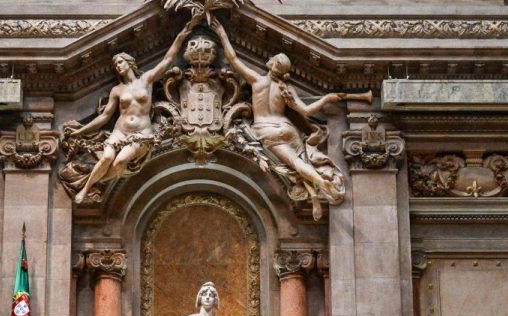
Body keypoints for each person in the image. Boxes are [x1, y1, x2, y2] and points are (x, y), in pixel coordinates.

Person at [214, 26, 355, 217]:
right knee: (299, 163)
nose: (269, 59)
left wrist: (222, 33)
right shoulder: (286, 89)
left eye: (272, 59)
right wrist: (327, 98)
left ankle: (319, 186)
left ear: (272, 65)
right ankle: (318, 188)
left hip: (265, 131)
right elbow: (306, 110)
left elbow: (233, 60)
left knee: (295, 165)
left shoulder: (257, 81)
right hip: (287, 129)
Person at [64, 15, 202, 203]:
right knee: (106, 159)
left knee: (120, 162)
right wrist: (80, 130)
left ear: (129, 62)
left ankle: (89, 182)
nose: (118, 66)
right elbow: (105, 117)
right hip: (119, 132)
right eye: (115, 65)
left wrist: (180, 36)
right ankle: (86, 187)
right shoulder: (117, 90)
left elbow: (167, 60)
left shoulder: (146, 80)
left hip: (141, 133)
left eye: (120, 62)